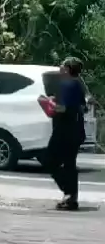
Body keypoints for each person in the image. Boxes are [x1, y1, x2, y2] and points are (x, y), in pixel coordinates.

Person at [46, 57, 86, 211]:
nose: (60, 67)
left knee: (50, 160)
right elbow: (81, 105)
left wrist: (48, 104)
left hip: (65, 131)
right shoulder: (77, 84)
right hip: (76, 130)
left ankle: (68, 193)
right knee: (69, 164)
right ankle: (71, 198)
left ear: (68, 69)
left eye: (62, 65)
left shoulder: (67, 84)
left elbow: (62, 108)